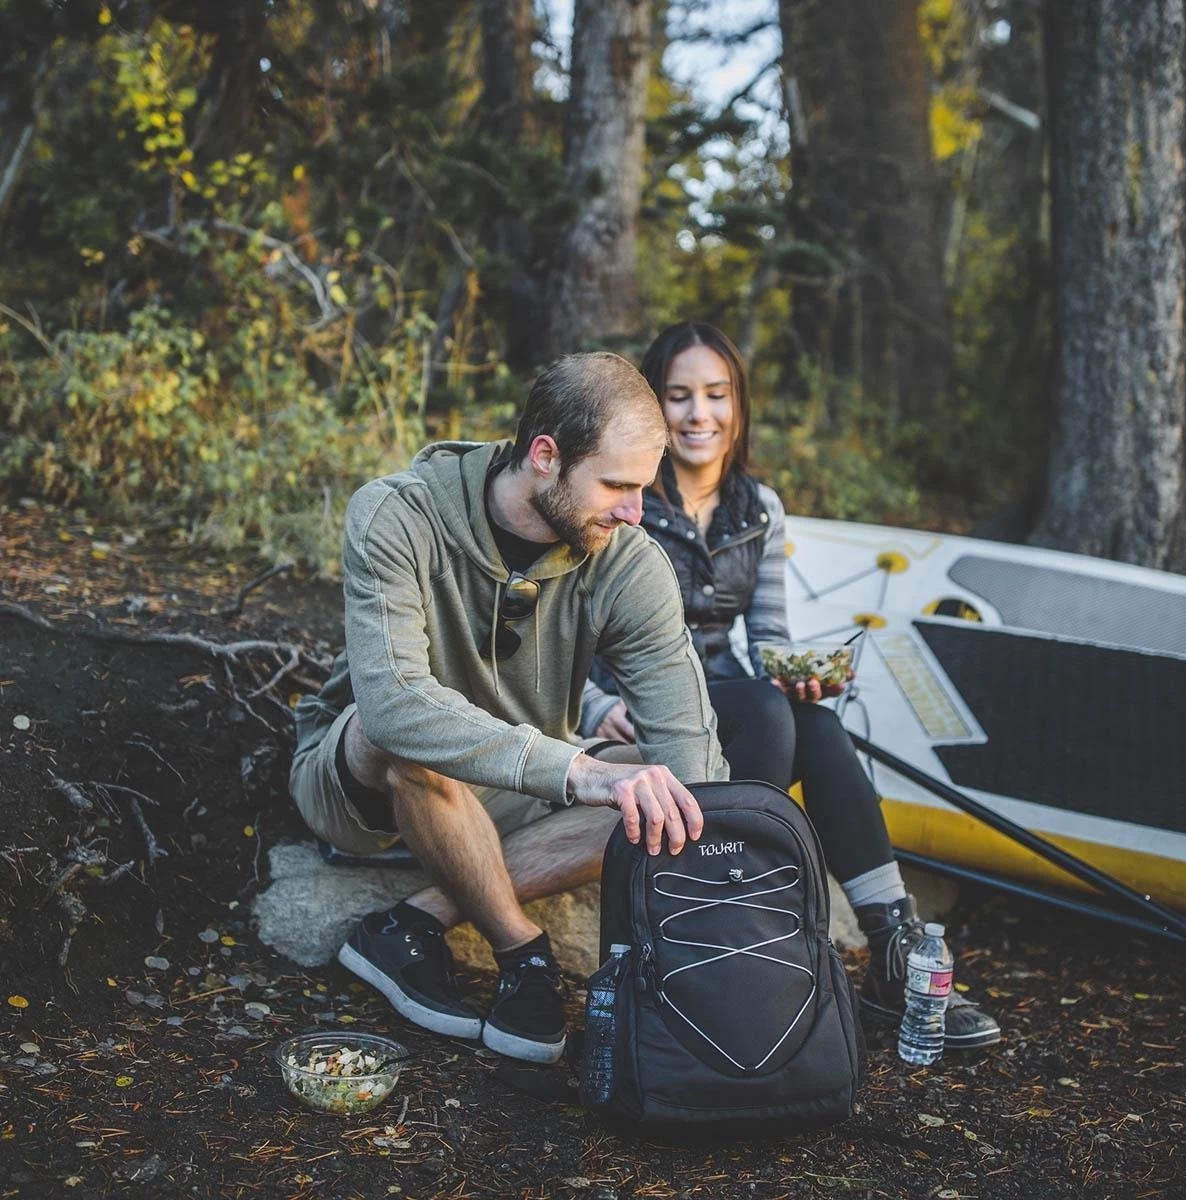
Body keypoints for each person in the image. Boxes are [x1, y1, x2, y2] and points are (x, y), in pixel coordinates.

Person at [289, 352, 726, 1065]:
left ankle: (411, 925)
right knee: (397, 730)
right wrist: (580, 771)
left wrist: (705, 912)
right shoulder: (400, 513)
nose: (634, 510)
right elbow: (397, 708)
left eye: (643, 487)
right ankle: (521, 952)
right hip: (362, 793)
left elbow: (689, 747)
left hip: (507, 796)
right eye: (616, 484)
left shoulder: (627, 560)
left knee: (656, 783)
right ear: (545, 456)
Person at [579, 322, 1001, 1050]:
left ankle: (891, 950)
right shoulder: (628, 495)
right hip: (642, 708)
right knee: (767, 712)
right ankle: (735, 919)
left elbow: (766, 637)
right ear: (653, 405)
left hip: (738, 703)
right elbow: (576, 628)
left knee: (817, 723)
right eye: (678, 396)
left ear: (738, 405)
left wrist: (800, 673)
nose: (698, 415)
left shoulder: (759, 507)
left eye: (715, 395)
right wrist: (596, 704)